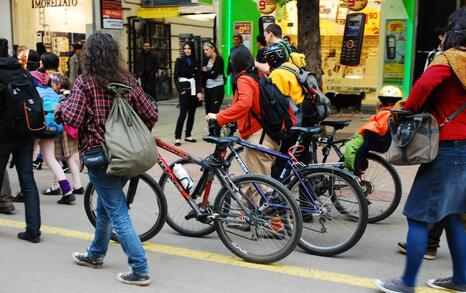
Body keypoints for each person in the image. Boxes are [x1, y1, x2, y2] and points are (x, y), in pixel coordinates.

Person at [375, 8, 466, 293]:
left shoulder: (450, 58)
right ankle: (461, 279)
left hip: (448, 148)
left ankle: (406, 283)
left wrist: (410, 109)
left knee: (417, 216)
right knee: (451, 215)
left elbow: (424, 85)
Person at [56, 32, 158, 286]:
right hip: (125, 156)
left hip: (99, 156)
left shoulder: (85, 82)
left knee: (117, 211)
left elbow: (74, 118)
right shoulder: (128, 81)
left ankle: (140, 268)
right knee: (105, 208)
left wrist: (60, 109)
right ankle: (95, 254)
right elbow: (151, 113)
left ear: (89, 55)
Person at [205, 45, 280, 205]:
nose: (230, 63)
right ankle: (244, 213)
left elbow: (244, 104)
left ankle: (275, 224)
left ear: (236, 62)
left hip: (258, 136)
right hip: (265, 133)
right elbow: (245, 104)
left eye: (232, 60)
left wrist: (219, 117)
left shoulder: (244, 79)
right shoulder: (257, 75)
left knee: (261, 184)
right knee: (251, 177)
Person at [0, 38, 42, 243]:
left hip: (2, 135)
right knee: (28, 181)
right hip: (25, 133)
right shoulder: (21, 70)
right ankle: (33, 230)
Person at [30, 52, 75, 205]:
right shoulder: (51, 90)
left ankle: (26, 191)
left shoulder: (34, 88)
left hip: (37, 126)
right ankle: (67, 191)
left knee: (28, 158)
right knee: (51, 159)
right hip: (54, 126)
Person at [343, 86, 402, 175]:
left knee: (349, 147)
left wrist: (370, 128)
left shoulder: (385, 113)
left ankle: (349, 172)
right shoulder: (392, 113)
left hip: (371, 138)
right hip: (377, 140)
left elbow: (380, 128)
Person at [41, 72, 83, 196]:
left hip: (60, 131)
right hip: (70, 130)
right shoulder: (71, 95)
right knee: (70, 158)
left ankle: (55, 186)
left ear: (58, 85)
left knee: (56, 158)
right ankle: (78, 185)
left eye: (53, 83)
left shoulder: (56, 97)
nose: (51, 85)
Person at [173, 41, 203, 146]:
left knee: (192, 113)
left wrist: (199, 91)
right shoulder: (179, 61)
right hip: (184, 89)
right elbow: (175, 77)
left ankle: (188, 135)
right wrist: (180, 90)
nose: (187, 50)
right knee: (183, 113)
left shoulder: (196, 61)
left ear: (192, 49)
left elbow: (199, 77)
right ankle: (177, 137)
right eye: (185, 48)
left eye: (189, 48)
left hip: (194, 90)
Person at [201, 41, 225, 114]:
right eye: (204, 50)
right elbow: (202, 73)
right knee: (208, 111)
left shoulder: (219, 59)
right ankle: (210, 125)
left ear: (213, 49)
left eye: (207, 49)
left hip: (217, 88)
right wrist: (209, 71)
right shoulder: (206, 60)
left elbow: (214, 75)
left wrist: (206, 71)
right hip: (208, 89)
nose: (205, 52)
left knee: (214, 111)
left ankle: (214, 125)